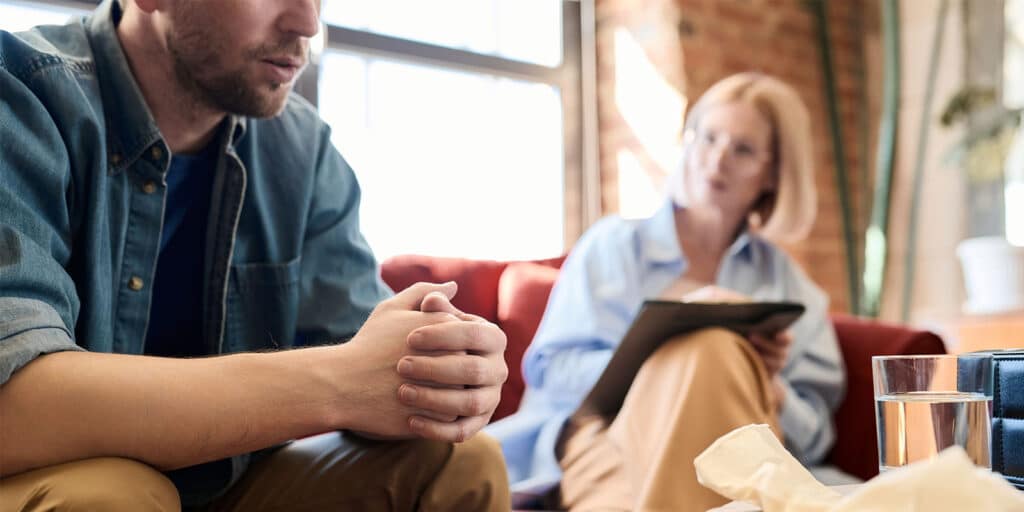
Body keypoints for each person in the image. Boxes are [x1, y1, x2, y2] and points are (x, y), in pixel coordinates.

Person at [0, 0, 511, 510]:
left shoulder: (301, 149)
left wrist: (439, 375)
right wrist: (340, 382)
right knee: (112, 497)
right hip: (46, 474)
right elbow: (14, 407)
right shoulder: (22, 92)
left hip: (222, 486)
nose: (307, 23)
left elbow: (375, 367)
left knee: (459, 461)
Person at [487, 72, 847, 511]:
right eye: (709, 138)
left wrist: (767, 384)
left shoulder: (791, 286)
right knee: (707, 348)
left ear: (773, 174)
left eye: (743, 149)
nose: (717, 161)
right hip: (604, 436)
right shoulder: (614, 246)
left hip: (747, 441)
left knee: (716, 355)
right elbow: (552, 372)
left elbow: (814, 436)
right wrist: (657, 353)